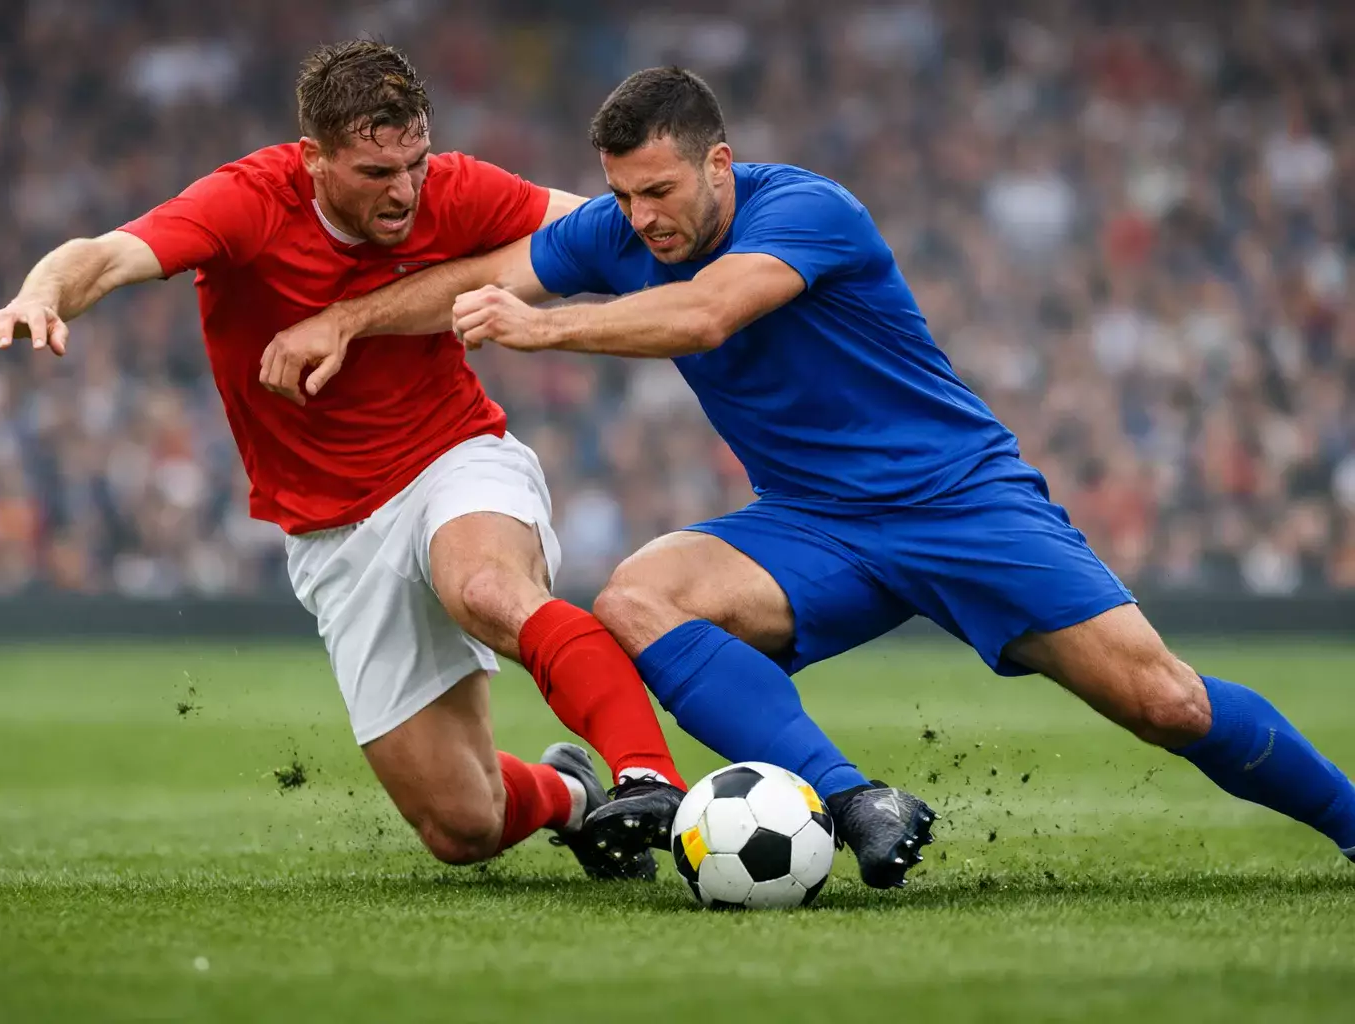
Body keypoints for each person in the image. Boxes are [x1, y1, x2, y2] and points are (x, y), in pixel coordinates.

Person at [264, 66, 1355, 886]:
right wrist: (347, 321)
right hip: (815, 525)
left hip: (960, 502)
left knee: (1163, 700)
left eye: (658, 192)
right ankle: (854, 800)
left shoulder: (809, 211)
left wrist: (545, 332)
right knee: (639, 596)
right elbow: (484, 274)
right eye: (621, 196)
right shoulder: (623, 234)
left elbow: (707, 311)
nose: (641, 219)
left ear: (719, 164)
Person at [0, 42, 690, 881]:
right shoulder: (246, 201)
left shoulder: (454, 188)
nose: (404, 190)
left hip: (454, 458)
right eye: (376, 171)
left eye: (414, 163)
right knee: (463, 827)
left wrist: (725, 255)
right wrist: (39, 295)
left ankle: (653, 779)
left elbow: (603, 226)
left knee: (485, 588)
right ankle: (571, 796)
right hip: (333, 532)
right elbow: (106, 255)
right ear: (312, 159)